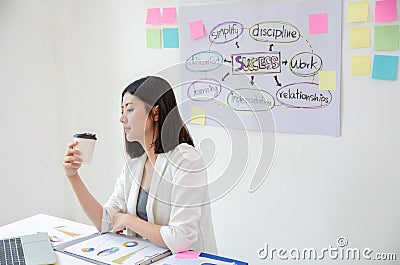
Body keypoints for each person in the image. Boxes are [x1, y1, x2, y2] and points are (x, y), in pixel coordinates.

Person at [63, 76, 217, 254]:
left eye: (129, 109)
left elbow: (181, 238)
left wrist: (129, 220)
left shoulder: (186, 159)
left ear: (155, 113)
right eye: (122, 110)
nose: (122, 118)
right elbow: (105, 221)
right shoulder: (135, 165)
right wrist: (72, 176)